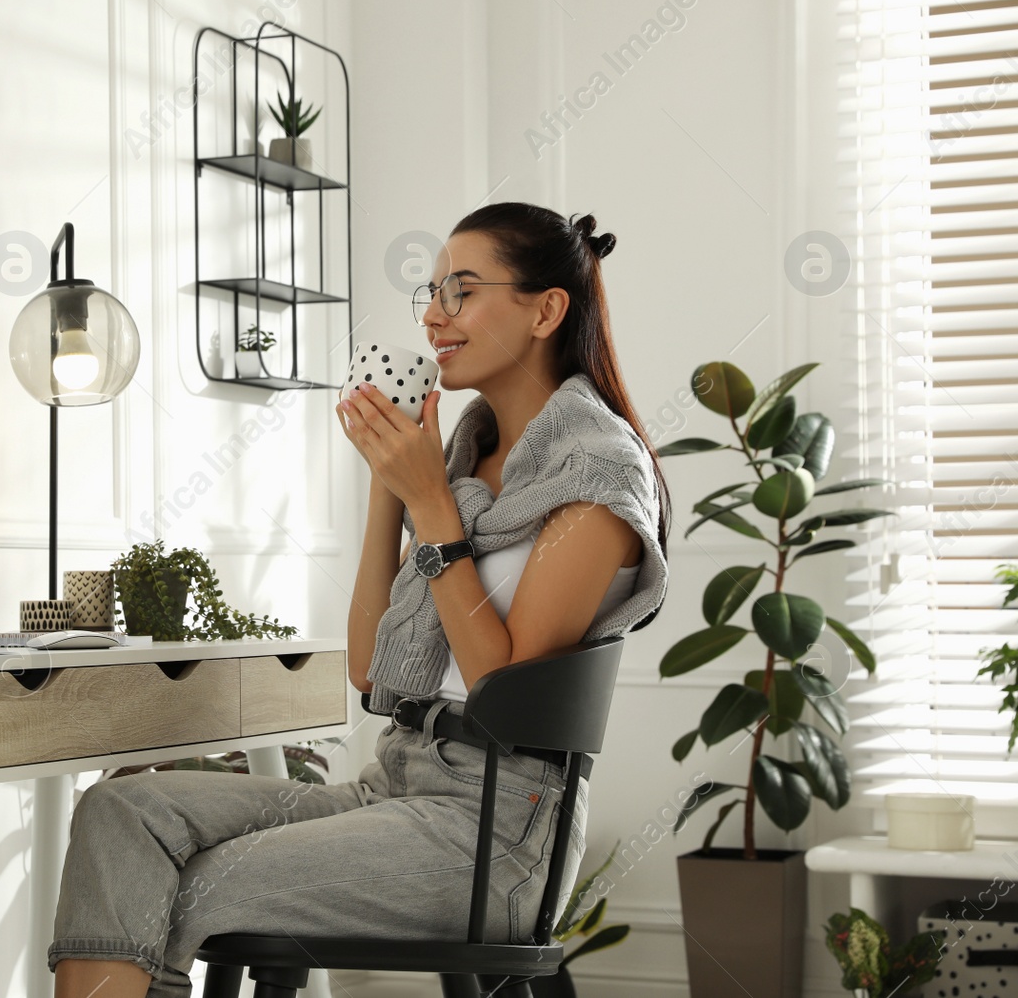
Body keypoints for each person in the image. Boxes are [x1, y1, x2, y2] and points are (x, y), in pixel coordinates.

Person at [48, 202, 672, 998]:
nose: (434, 316)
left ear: (546, 309)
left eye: (462, 291)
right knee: (120, 814)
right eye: (433, 292)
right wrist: (393, 485)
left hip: (496, 833)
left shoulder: (598, 471)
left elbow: (504, 694)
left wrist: (435, 512)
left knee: (190, 887)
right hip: (395, 784)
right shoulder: (469, 456)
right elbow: (373, 671)